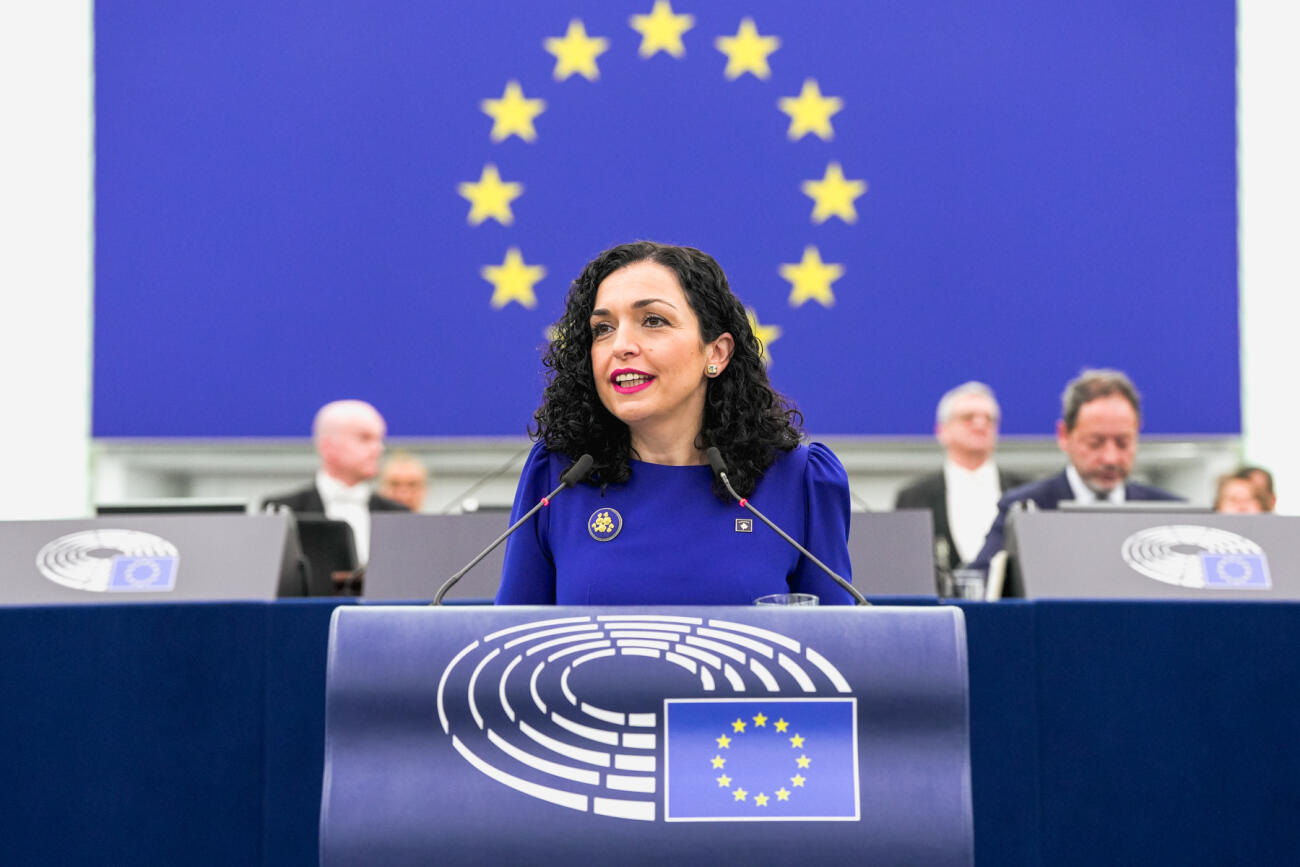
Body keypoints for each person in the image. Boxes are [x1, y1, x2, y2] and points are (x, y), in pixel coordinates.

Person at [494, 241, 856, 605]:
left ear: (716, 353)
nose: (620, 345)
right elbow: (509, 647)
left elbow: (837, 651)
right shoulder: (558, 475)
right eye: (603, 328)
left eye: (653, 321)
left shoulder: (799, 479)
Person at [968, 369, 1181, 573]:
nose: (1110, 458)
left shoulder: (1172, 514)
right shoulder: (1024, 510)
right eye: (1095, 443)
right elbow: (979, 583)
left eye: (1123, 443)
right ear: (1064, 435)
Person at [894, 382, 1029, 572]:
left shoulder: (1025, 491)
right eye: (968, 417)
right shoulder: (913, 497)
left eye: (989, 419)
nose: (980, 424)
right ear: (942, 430)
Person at [263, 399, 408, 564]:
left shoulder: (398, 514)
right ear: (327, 446)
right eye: (364, 438)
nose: (378, 449)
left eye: (379, 439)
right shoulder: (283, 512)